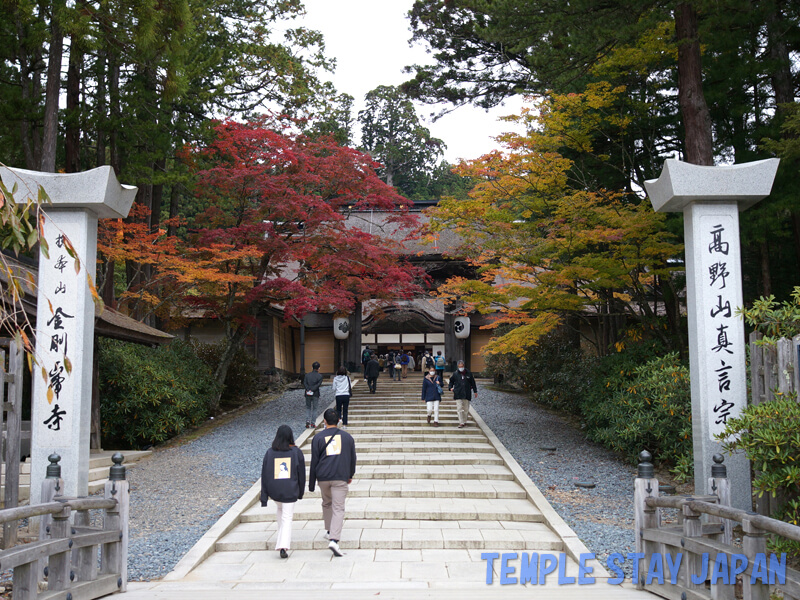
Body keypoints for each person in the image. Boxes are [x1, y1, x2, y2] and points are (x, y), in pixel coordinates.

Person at [309, 408, 357, 557]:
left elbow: (314, 461)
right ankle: (334, 539)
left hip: (323, 477)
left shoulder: (317, 438)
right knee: (338, 507)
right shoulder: (347, 438)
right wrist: (350, 474)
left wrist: (311, 482)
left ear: (324, 421)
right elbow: (352, 458)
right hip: (339, 476)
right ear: (339, 421)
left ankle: (329, 530)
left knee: (327, 503)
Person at [260, 425, 305, 559]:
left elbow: (265, 474)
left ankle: (281, 538)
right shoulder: (296, 452)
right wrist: (300, 492)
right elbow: (301, 474)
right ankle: (283, 546)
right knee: (287, 517)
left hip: (274, 490)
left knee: (280, 511)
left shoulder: (270, 452)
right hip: (290, 489)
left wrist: (265, 495)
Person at [448, 360, 478, 428]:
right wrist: (450, 388)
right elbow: (451, 381)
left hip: (466, 392)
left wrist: (475, 391)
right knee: (459, 408)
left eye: (462, 366)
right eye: (459, 366)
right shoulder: (455, 374)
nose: (461, 368)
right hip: (458, 392)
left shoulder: (469, 373)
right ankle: (461, 422)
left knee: (466, 409)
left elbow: (473, 382)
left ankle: (464, 421)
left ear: (464, 366)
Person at [303, 362, 324, 429]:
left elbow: (305, 383)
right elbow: (318, 385)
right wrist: (312, 390)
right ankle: (313, 423)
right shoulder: (320, 376)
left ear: (312, 367)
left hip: (307, 393)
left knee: (308, 407)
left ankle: (307, 420)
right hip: (315, 393)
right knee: (315, 408)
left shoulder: (307, 375)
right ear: (319, 368)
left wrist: (308, 389)